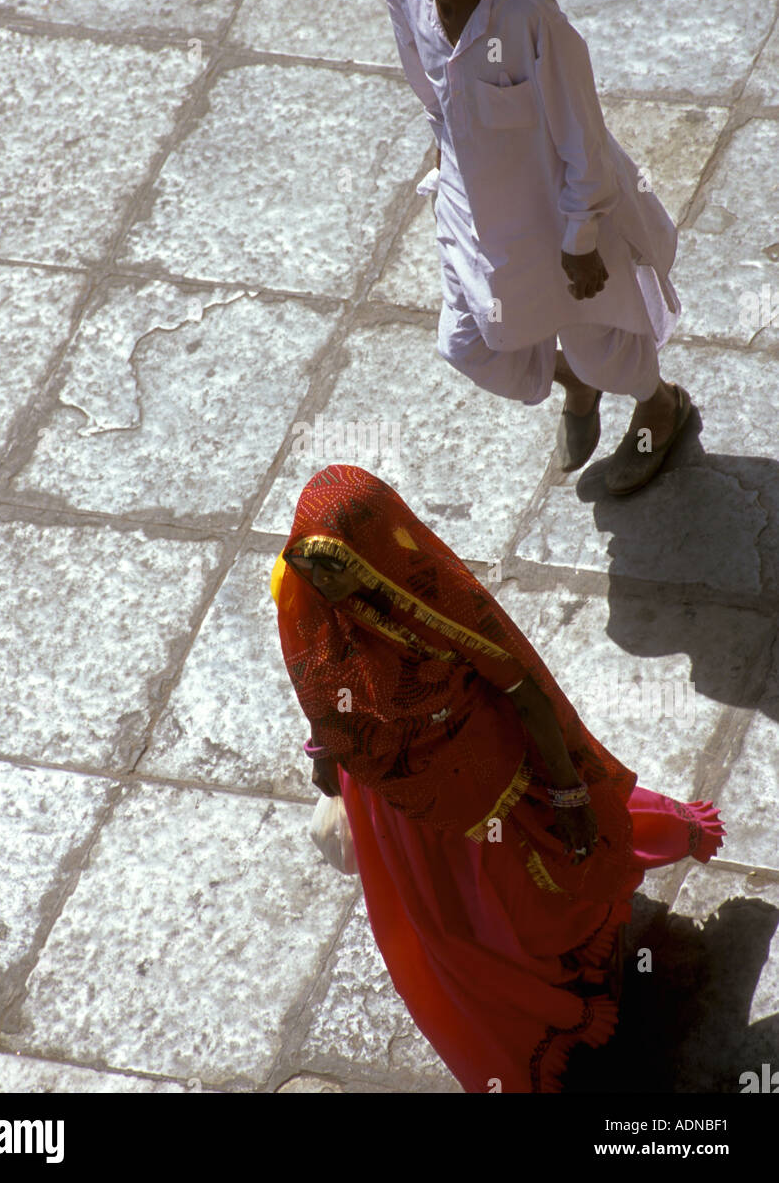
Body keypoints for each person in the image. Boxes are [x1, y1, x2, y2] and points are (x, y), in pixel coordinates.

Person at [270, 464, 724, 1093]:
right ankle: (517, 1011)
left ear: (376, 554)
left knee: (524, 903)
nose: (324, 583)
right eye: (315, 567)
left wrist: (568, 793)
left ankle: (562, 981)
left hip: (489, 794)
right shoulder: (299, 595)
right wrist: (327, 768)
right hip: (398, 814)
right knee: (452, 928)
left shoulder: (438, 600)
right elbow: (319, 692)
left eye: (339, 567)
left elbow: (527, 694)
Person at [368, 0, 693, 494]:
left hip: (558, 219)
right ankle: (576, 385)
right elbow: (434, 97)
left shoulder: (528, 15)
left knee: (608, 350)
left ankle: (658, 410)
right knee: (471, 344)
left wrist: (579, 239)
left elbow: (583, 136)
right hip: (470, 210)